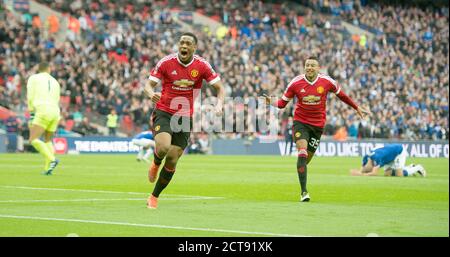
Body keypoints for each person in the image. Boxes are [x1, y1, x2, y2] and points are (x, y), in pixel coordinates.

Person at [264, 56, 371, 202]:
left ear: (318, 68)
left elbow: (342, 95)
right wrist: (272, 102)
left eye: (312, 65)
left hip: (318, 126)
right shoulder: (296, 82)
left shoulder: (327, 82)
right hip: (300, 122)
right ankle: (304, 192)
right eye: (307, 65)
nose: (309, 67)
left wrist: (357, 107)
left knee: (305, 160)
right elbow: (283, 103)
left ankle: (301, 171)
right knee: (302, 152)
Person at [143, 32, 225, 209]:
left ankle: (154, 196)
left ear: (194, 48)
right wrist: (151, 94)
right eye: (181, 43)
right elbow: (148, 85)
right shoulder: (166, 62)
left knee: (172, 158)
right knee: (163, 147)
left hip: (184, 116)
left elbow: (220, 88)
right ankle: (156, 163)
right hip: (164, 111)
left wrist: (219, 104)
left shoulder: (202, 65)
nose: (184, 46)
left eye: (188, 43)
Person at [26, 62, 61, 175]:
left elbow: (30, 95)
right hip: (55, 111)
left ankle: (52, 160)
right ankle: (47, 169)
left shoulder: (34, 78)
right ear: (49, 69)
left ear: (38, 69)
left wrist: (31, 112)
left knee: (33, 139)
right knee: (47, 140)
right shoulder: (56, 82)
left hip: (42, 109)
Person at [350, 144, 426, 177]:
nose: (368, 170)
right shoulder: (366, 158)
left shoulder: (377, 157)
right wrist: (358, 172)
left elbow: (374, 173)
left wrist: (361, 175)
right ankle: (410, 167)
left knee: (399, 175)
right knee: (387, 174)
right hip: (388, 156)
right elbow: (363, 169)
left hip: (398, 152)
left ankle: (417, 168)